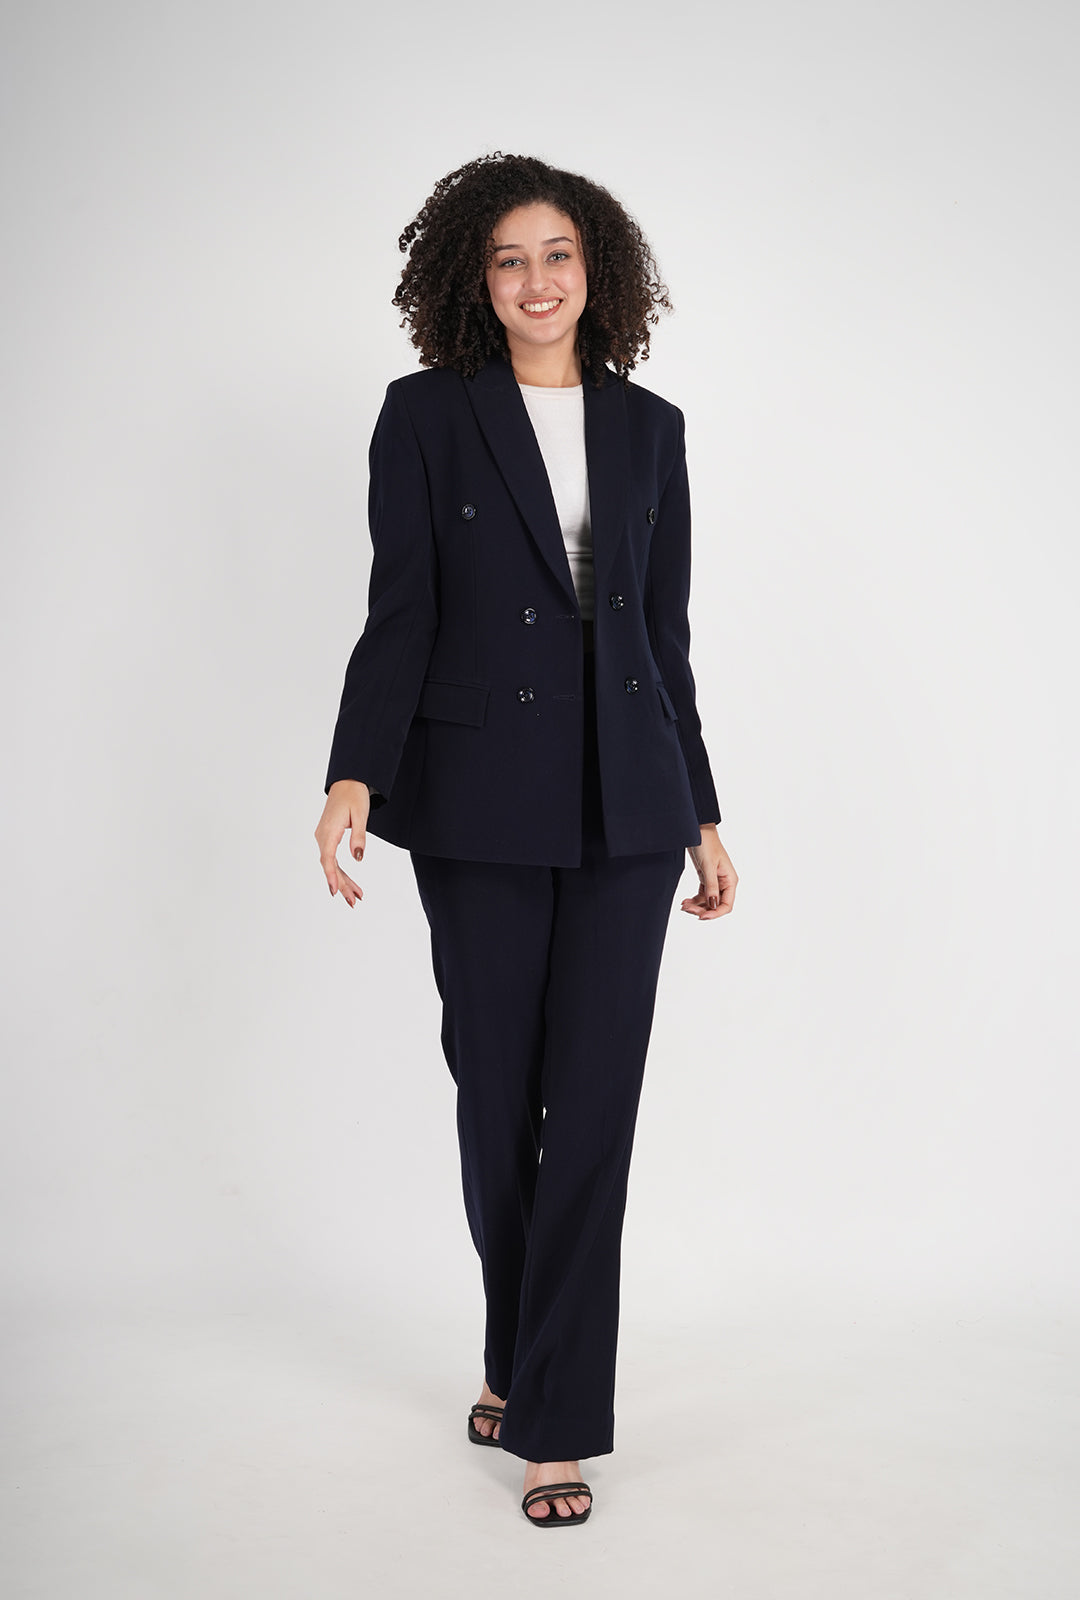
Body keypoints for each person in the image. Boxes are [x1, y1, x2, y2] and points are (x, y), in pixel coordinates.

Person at [314, 152, 738, 1527]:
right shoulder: (427, 417)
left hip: (630, 805)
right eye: (509, 259)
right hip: (479, 803)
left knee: (594, 1113)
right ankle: (515, 1351)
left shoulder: (654, 428)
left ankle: (551, 1419)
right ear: (471, 280)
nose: (537, 281)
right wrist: (352, 778)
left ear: (597, 271)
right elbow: (402, 613)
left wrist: (706, 812)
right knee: (500, 1096)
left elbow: (660, 640)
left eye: (558, 255)